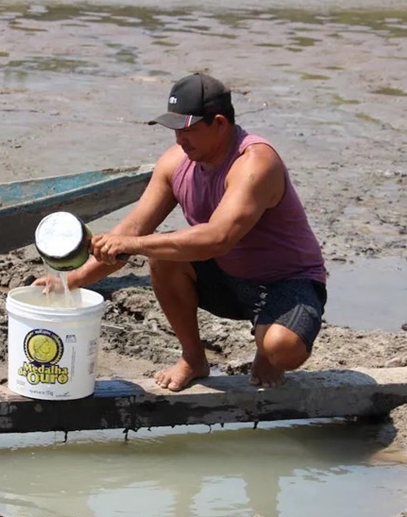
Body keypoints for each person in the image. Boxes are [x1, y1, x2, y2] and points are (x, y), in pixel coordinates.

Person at [38, 72, 327, 391]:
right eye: (174, 130)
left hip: (286, 281)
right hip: (228, 280)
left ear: (220, 123)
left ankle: (266, 348)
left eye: (188, 130)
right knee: (163, 256)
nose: (179, 140)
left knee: (281, 348)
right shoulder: (175, 163)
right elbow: (133, 228)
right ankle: (193, 359)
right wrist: (70, 281)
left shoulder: (255, 163)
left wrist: (134, 244)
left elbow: (217, 238)